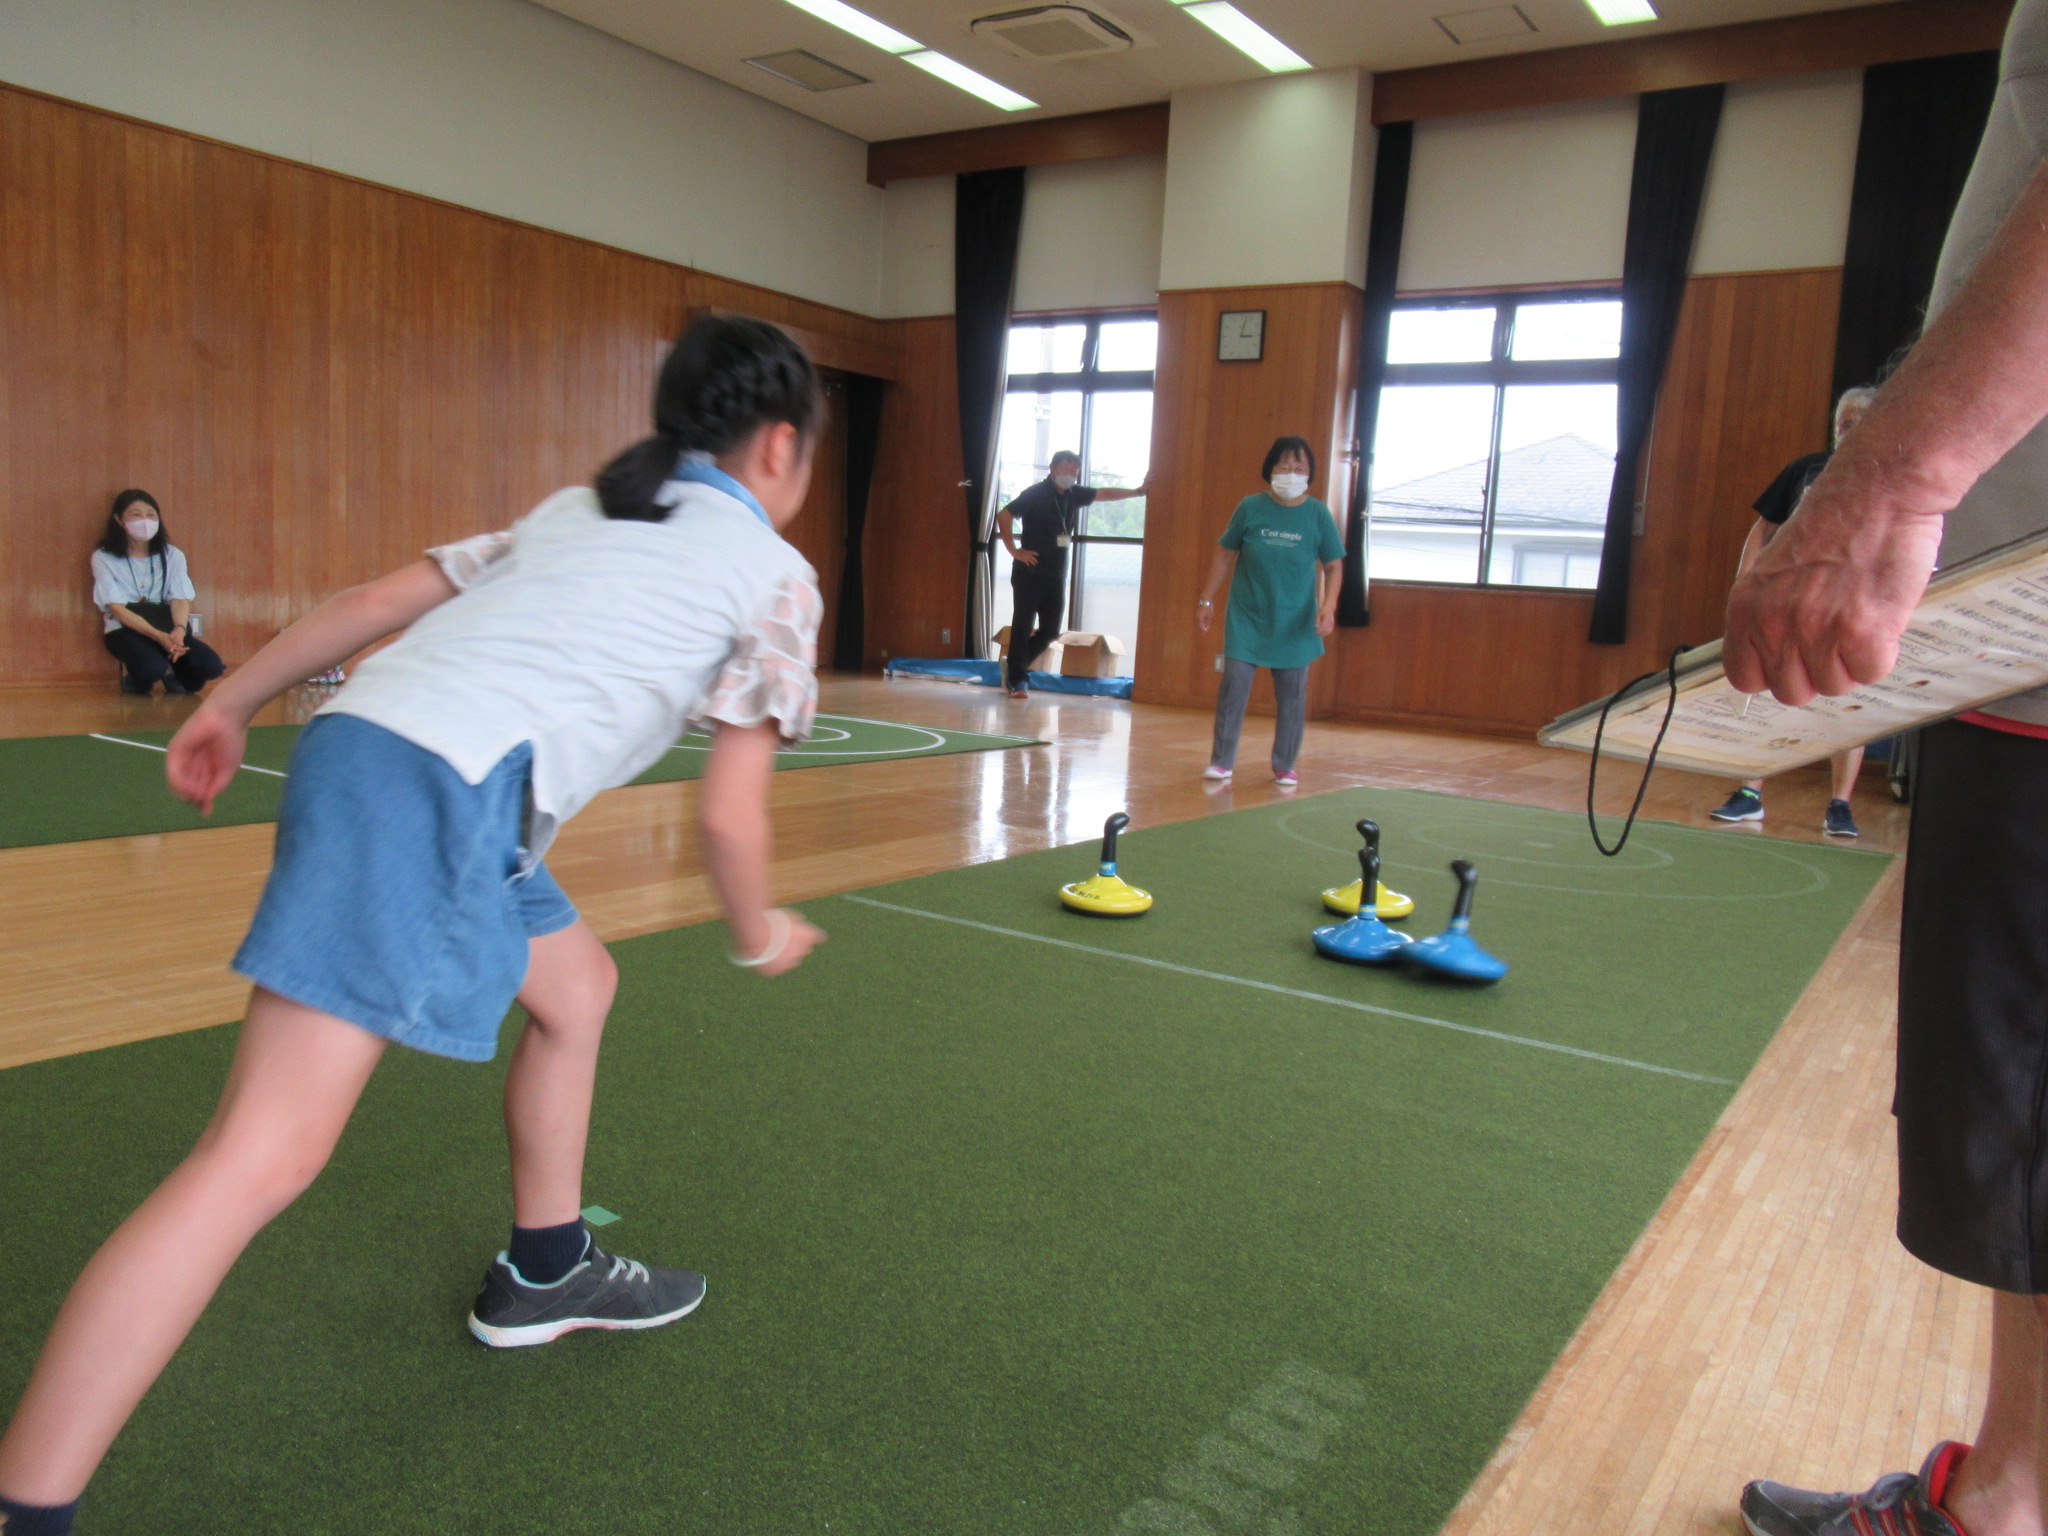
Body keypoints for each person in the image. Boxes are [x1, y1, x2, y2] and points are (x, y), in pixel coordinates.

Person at [0, 315, 828, 1536]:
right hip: (446, 790)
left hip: (387, 756)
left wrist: (231, 700)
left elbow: (372, 599)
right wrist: (759, 932)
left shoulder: (578, 509)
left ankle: (546, 1266)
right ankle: (31, 1503)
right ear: (775, 447)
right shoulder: (774, 576)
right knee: (255, 1157)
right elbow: (729, 820)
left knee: (578, 988)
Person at [1724, 4, 2048, 1532]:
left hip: (2032, 627)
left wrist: (1901, 474)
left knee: (2024, 1107)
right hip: (2015, 640)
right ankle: (2012, 1489)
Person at [1707, 387, 1879, 837]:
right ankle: (1749, 793)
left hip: (1847, 611)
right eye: (1844, 419)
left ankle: (1840, 804)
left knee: (1847, 705)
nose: (1849, 426)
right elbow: (1764, 527)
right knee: (1761, 695)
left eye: (1861, 419)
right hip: (1782, 604)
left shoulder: (1889, 476)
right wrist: (1743, 582)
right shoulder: (1804, 470)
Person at [1194, 436, 1344, 788]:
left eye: (1299, 469)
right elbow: (1224, 553)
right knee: (1234, 686)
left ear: (1310, 474)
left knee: (1292, 696)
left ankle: (1284, 764)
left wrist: (1329, 607)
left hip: (1296, 619)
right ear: (1270, 469)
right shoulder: (1250, 507)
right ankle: (1222, 761)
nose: (1291, 474)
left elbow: (1334, 565)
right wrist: (1206, 599)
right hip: (1247, 615)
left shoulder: (1318, 514)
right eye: (1284, 467)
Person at [996, 450, 1147, 699]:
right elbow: (1004, 515)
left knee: (1051, 630)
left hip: (1056, 574)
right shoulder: (1036, 493)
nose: (1070, 475)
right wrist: (1015, 551)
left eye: (1074, 471)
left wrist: (1138, 492)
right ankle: (1016, 681)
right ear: (1053, 469)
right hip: (1029, 572)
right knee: (1023, 626)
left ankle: (1015, 667)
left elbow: (1105, 494)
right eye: (1065, 469)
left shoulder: (1075, 495)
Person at [90, 490, 228, 697]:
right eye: (136, 515)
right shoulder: (104, 557)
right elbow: (117, 609)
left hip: (168, 627)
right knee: (151, 668)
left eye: (151, 514)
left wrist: (179, 631)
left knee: (211, 666)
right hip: (125, 629)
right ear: (119, 520)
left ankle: (176, 675)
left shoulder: (172, 555)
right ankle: (137, 680)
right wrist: (159, 637)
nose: (144, 521)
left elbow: (180, 599)